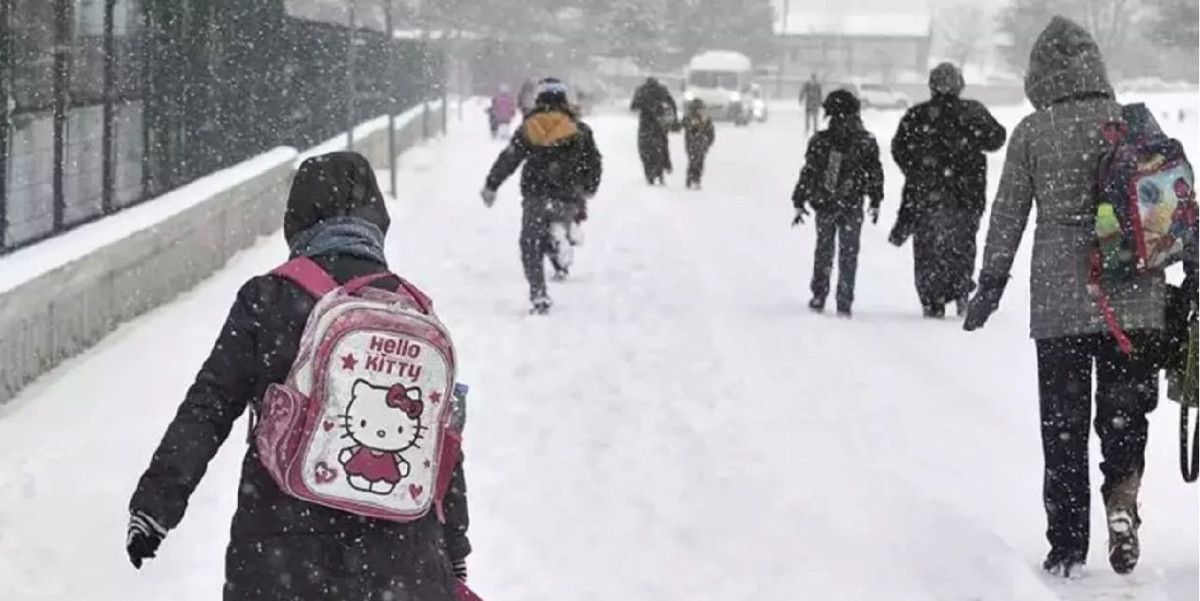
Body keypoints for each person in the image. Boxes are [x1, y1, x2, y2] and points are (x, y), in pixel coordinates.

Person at [126, 152, 472, 600]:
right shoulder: (412, 310)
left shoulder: (267, 299)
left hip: (282, 550)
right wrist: (453, 547)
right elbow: (441, 443)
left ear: (298, 218)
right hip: (401, 558)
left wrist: (156, 506)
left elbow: (208, 407)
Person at [963, 16, 1198, 578]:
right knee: (1124, 415)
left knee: (1063, 426)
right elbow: (1172, 204)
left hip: (1061, 304)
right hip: (1135, 301)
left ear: (1040, 76)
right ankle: (1122, 502)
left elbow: (1008, 216)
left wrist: (990, 283)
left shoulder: (1033, 132)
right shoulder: (1132, 125)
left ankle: (1067, 543)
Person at [889, 62, 1007, 318]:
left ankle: (932, 298)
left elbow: (899, 148)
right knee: (962, 245)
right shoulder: (972, 112)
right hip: (967, 194)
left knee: (927, 249)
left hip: (926, 196)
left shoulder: (917, 115)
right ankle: (960, 288)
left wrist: (918, 169)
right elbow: (997, 138)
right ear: (959, 85)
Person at [481, 79, 603, 314]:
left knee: (531, 243)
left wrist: (491, 185)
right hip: (568, 195)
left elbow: (509, 158)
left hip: (536, 194)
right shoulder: (580, 130)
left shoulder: (529, 127)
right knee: (561, 222)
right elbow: (594, 163)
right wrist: (589, 187)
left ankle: (538, 293)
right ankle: (565, 237)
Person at [791, 89, 884, 317]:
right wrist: (875, 198)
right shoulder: (865, 141)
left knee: (824, 249)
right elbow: (875, 172)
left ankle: (819, 293)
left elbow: (809, 172)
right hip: (852, 203)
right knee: (849, 252)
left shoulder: (821, 141)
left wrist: (800, 198)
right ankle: (844, 298)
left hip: (825, 202)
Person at [630, 77, 678, 185]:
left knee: (645, 148)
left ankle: (650, 172)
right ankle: (662, 168)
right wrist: (673, 117)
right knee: (661, 146)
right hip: (659, 122)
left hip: (645, 123)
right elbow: (672, 103)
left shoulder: (641, 90)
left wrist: (644, 106)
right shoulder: (662, 90)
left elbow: (633, 106)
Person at [680, 98, 716, 189]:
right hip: (692, 143)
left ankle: (696, 178)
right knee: (693, 161)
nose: (701, 111)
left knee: (699, 161)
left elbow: (711, 131)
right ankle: (692, 178)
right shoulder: (689, 118)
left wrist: (709, 141)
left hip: (702, 144)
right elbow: (680, 125)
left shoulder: (706, 119)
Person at [798, 73, 823, 138]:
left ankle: (810, 129)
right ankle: (811, 129)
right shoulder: (815, 84)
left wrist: (801, 99)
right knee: (812, 117)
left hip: (810, 103)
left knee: (811, 117)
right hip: (813, 103)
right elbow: (820, 94)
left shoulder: (811, 84)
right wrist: (820, 102)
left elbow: (803, 92)